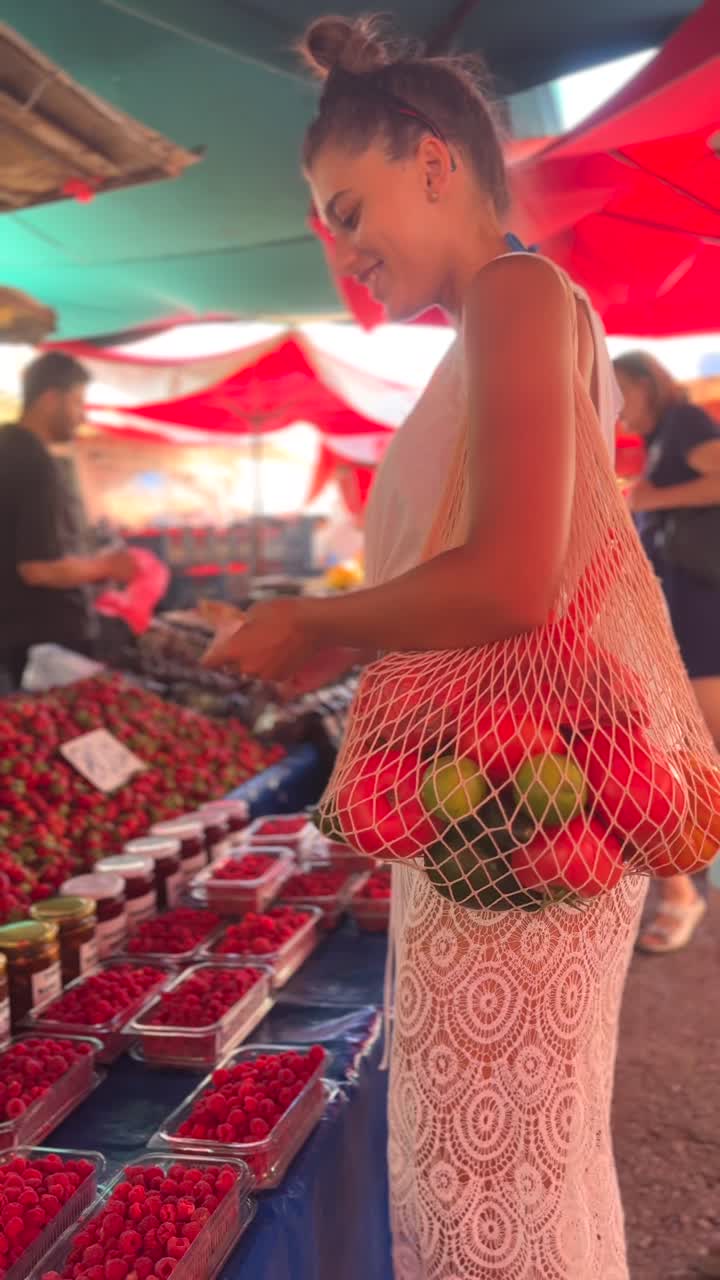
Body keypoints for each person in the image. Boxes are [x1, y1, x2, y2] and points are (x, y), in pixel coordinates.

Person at [203, 16, 652, 1277]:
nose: (345, 249)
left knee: (486, 1199)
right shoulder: (502, 323)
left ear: (435, 157)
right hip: (506, 810)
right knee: (518, 1176)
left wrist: (319, 619)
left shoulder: (517, 293)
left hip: (521, 818)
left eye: (352, 209)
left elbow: (512, 580)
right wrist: (340, 635)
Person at [614, 350, 720, 953]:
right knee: (671, 761)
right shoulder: (662, 440)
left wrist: (650, 500)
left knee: (668, 762)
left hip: (705, 617)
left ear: (641, 384)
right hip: (689, 618)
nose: (613, 407)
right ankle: (680, 892)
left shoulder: (684, 424)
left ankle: (681, 895)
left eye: (616, 391)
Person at [0, 351, 137, 691]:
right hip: (45, 645)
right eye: (77, 402)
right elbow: (37, 568)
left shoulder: (9, 448)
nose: (82, 415)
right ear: (49, 399)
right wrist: (107, 567)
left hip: (19, 636)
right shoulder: (33, 462)